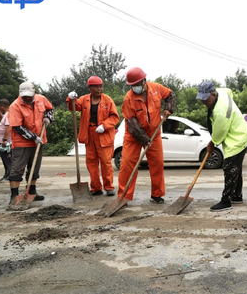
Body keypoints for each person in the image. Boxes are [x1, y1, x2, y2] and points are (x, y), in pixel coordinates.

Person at [118, 67, 175, 203]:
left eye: (137, 84)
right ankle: (123, 196)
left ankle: (157, 194)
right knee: (127, 164)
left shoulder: (156, 88)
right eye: (132, 86)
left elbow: (171, 95)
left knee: (157, 163)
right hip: (134, 135)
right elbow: (132, 124)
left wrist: (168, 109)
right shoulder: (128, 99)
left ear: (144, 80)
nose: (135, 87)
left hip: (154, 133)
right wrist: (144, 140)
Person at [196, 81, 247, 211]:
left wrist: (212, 144)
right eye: (202, 99)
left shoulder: (221, 110)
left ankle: (226, 201)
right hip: (240, 132)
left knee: (229, 168)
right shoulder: (223, 92)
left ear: (213, 94)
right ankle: (237, 196)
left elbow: (220, 131)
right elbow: (229, 91)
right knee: (236, 169)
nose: (204, 103)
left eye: (206, 99)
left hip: (237, 138)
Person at [66, 76, 120, 196]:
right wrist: (71, 99)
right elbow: (74, 107)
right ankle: (96, 188)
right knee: (91, 162)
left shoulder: (108, 100)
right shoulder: (84, 99)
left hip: (103, 134)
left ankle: (109, 187)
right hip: (89, 134)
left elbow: (115, 117)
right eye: (96, 86)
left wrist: (104, 125)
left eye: (100, 86)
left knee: (106, 162)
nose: (99, 89)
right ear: (90, 88)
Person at [8, 82, 54, 202]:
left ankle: (32, 191)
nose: (27, 98)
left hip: (39, 140)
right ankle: (14, 195)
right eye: (24, 96)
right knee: (17, 168)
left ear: (34, 92)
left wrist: (48, 117)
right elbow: (17, 127)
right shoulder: (15, 106)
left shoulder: (41, 99)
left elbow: (50, 109)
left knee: (35, 167)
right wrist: (33, 137)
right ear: (20, 94)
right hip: (21, 142)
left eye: (29, 95)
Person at [0, 99, 11, 183]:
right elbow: (0, 118)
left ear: (2, 106)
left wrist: (4, 140)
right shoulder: (6, 114)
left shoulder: (9, 114)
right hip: (2, 141)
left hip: (5, 142)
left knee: (7, 159)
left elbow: (8, 127)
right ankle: (6, 175)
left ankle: (9, 176)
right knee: (5, 160)